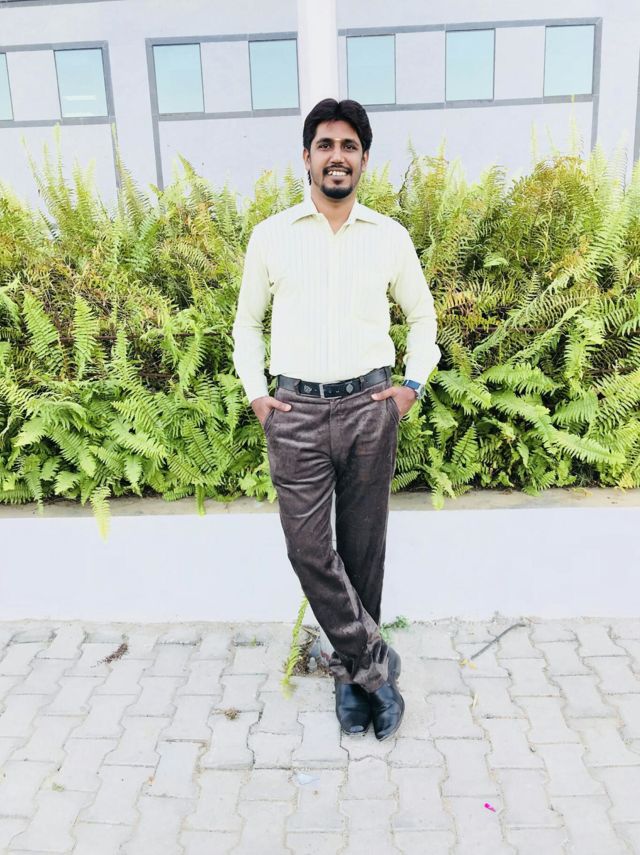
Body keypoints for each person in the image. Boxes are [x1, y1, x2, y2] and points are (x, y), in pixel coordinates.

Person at [232, 98, 440, 740]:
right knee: (308, 548)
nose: (337, 156)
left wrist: (410, 387)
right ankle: (376, 665)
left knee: (362, 549)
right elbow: (246, 324)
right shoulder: (272, 235)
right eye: (325, 145)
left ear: (364, 160)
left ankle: (352, 679)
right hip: (293, 413)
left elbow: (423, 319)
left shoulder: (389, 236)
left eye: (349, 146)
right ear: (307, 157)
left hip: (369, 408)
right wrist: (257, 394)